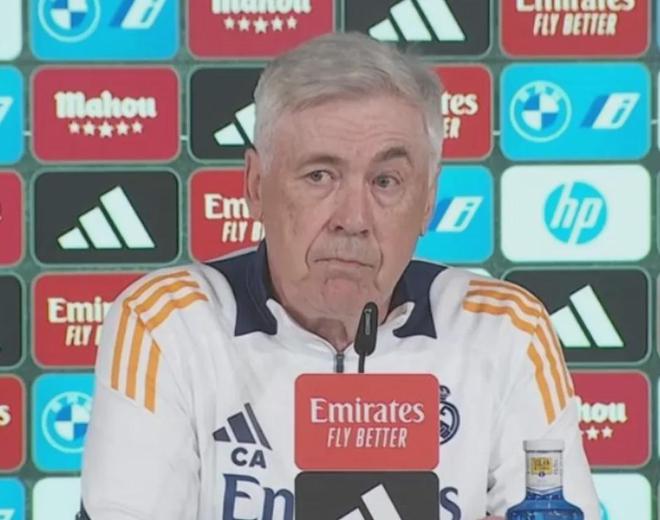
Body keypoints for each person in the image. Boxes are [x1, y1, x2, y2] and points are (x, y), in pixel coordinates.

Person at [79, 32, 599, 519]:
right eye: (319, 176)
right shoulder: (169, 323)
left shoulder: (503, 329)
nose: (353, 218)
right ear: (256, 186)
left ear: (428, 201)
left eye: (386, 181)